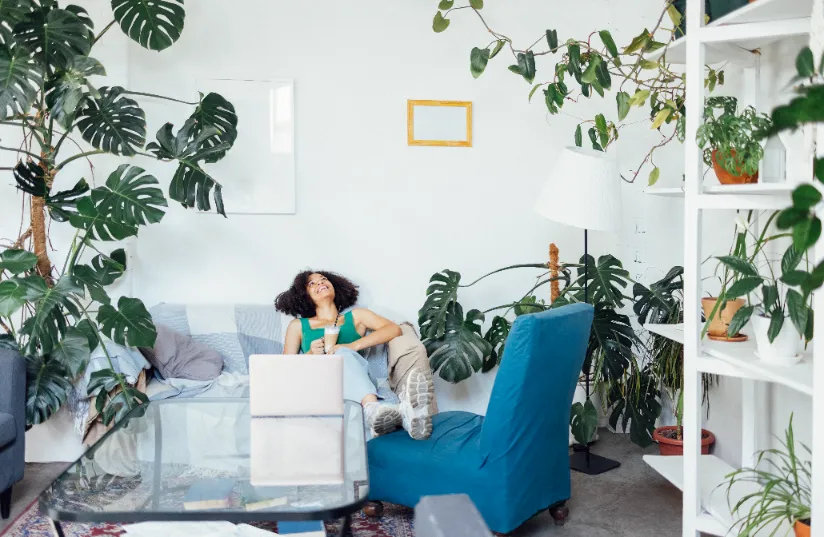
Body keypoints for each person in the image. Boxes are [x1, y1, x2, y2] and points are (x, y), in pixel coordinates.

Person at [276, 270, 435, 440]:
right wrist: (309, 354)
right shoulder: (298, 325)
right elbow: (286, 367)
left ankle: (401, 415)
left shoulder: (356, 316)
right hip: (319, 383)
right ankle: (384, 410)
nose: (320, 283)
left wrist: (353, 346)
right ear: (304, 294)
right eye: (312, 284)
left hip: (353, 380)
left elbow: (394, 329)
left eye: (324, 279)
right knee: (342, 354)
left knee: (343, 353)